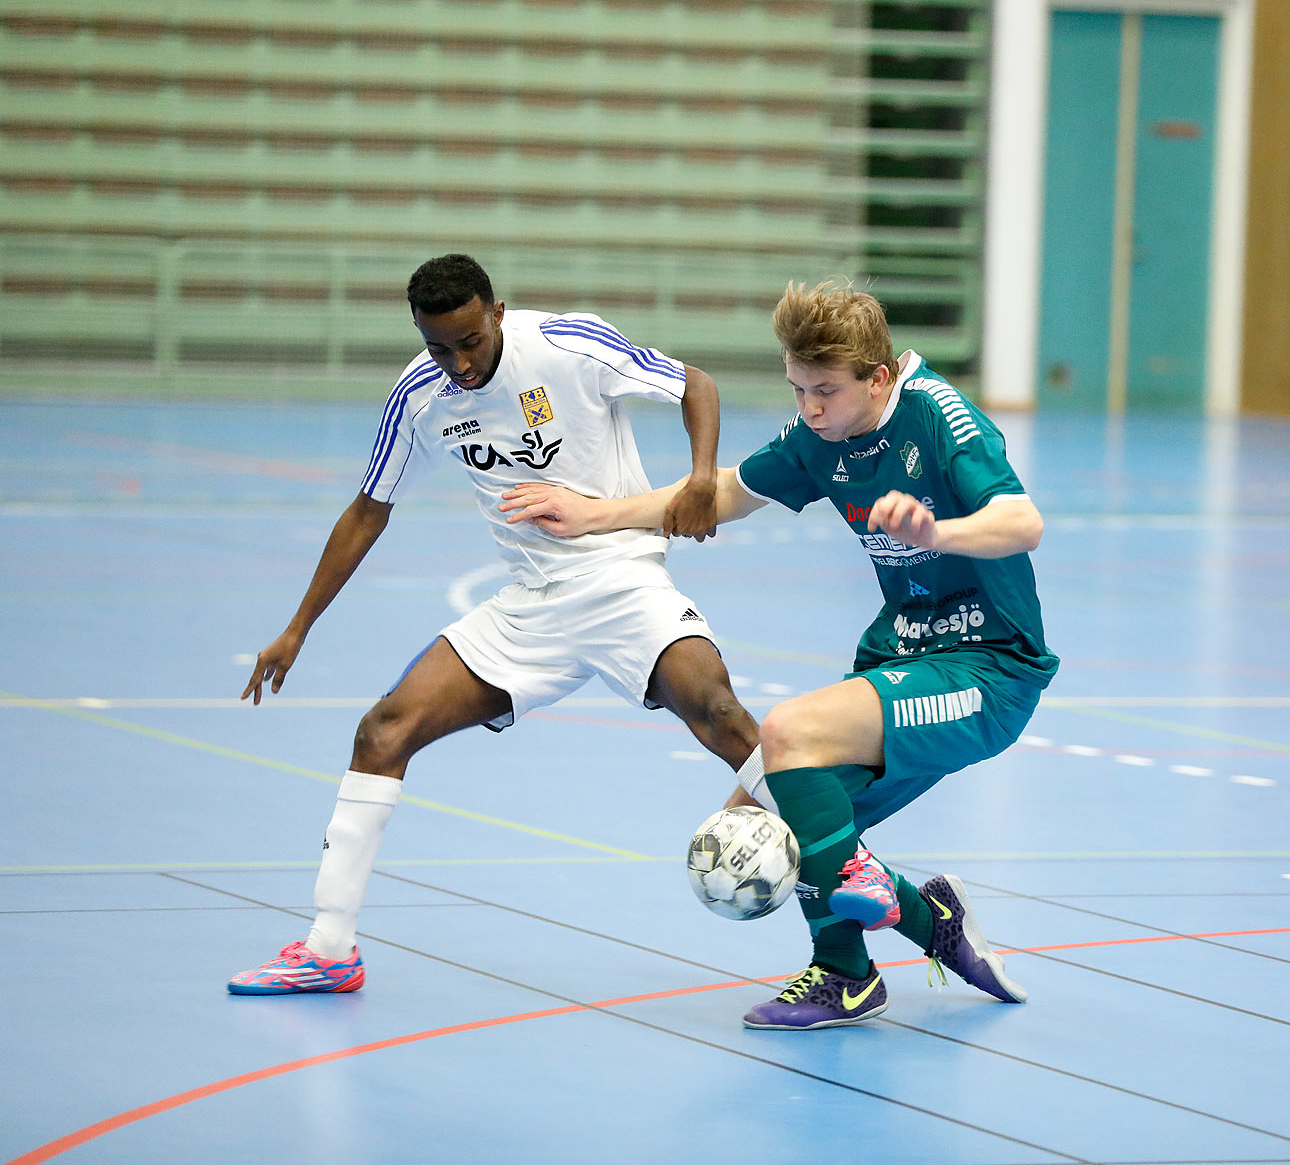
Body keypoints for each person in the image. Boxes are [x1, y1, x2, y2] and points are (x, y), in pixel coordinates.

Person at [498, 279, 1057, 1029]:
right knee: (763, 821)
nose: (811, 408)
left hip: (989, 670)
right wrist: (595, 514)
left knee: (786, 734)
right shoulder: (818, 437)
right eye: (798, 390)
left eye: (826, 391)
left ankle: (855, 946)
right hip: (901, 657)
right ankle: (898, 945)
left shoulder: (942, 420)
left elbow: (1023, 523)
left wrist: (939, 534)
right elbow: (726, 492)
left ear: (879, 378)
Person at [228, 253, 761, 995]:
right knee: (383, 731)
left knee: (722, 714)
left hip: (621, 580)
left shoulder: (569, 345)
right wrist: (297, 628)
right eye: (439, 347)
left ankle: (857, 872)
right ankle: (329, 948)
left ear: (497, 312)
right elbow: (368, 509)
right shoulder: (420, 397)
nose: (459, 363)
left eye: (471, 341)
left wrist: (701, 477)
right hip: (531, 603)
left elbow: (693, 382)